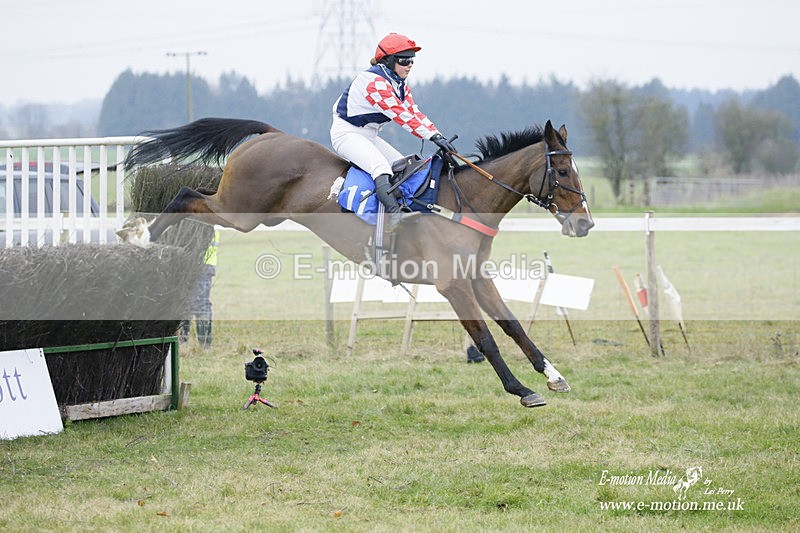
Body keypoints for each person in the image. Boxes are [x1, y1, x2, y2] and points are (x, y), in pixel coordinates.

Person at [330, 32, 457, 229]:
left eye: (412, 61)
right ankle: (395, 216)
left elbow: (414, 112)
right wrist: (431, 136)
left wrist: (438, 135)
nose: (409, 65)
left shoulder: (399, 84)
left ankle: (405, 209)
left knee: (403, 167)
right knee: (381, 167)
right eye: (404, 60)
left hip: (369, 135)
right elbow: (401, 115)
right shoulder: (374, 83)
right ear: (388, 60)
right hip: (347, 134)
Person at [180, 228, 218, 348]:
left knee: (200, 304)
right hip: (185, 259)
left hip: (203, 262)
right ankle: (183, 342)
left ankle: (204, 344)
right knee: (183, 303)